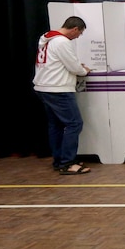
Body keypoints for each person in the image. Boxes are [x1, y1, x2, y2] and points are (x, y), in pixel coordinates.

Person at [33, 16, 92, 175]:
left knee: (56, 125)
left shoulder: (47, 38)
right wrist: (83, 70)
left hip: (43, 87)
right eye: (79, 33)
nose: (77, 37)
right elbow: (73, 67)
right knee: (74, 124)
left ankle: (59, 160)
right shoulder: (62, 42)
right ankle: (68, 163)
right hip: (58, 88)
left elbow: (57, 62)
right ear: (74, 29)